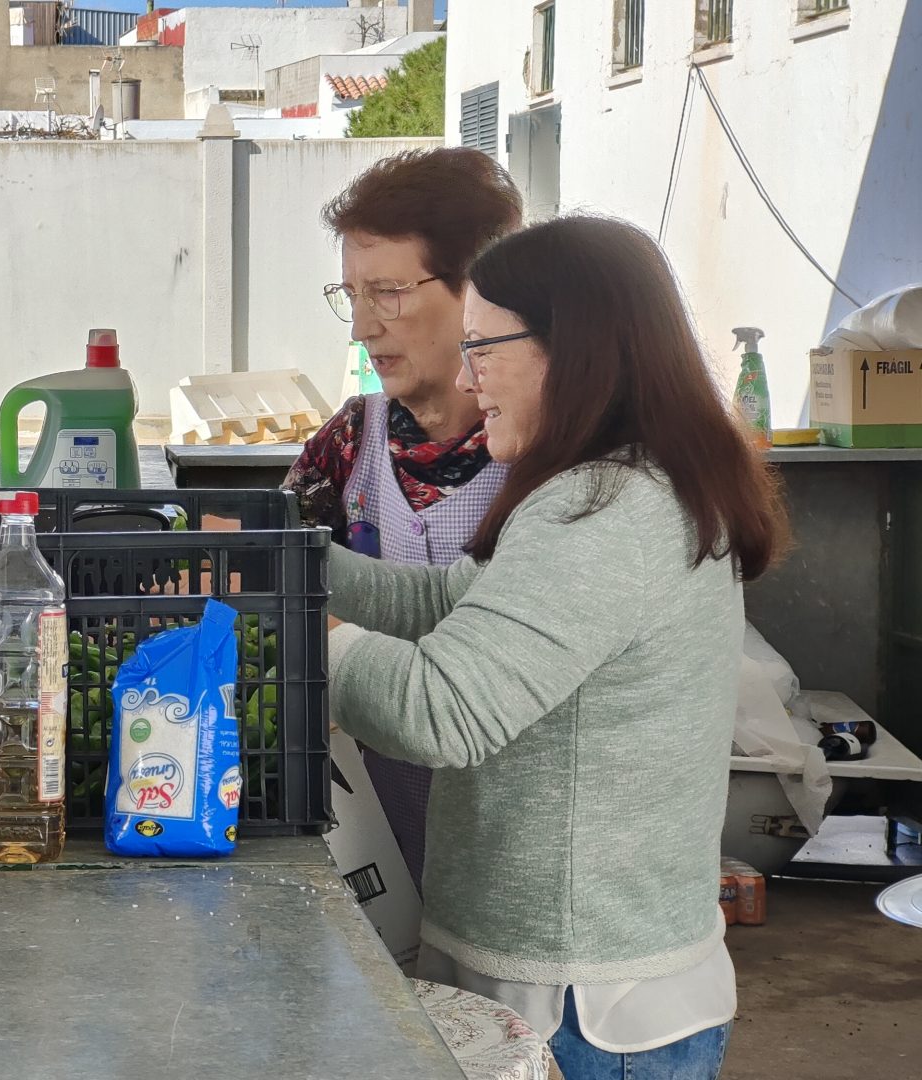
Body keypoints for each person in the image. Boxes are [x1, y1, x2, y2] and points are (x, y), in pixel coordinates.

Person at [325, 215, 787, 1079]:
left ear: (573, 352)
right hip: (565, 979)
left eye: (482, 348)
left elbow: (442, 711)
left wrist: (309, 637)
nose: (466, 377)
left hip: (583, 1007)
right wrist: (287, 564)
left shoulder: (608, 512)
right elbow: (445, 602)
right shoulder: (610, 486)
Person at [283, 147, 525, 889]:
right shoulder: (351, 440)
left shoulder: (546, 461)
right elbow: (278, 568)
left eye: (387, 293)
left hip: (516, 845)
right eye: (351, 295)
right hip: (376, 832)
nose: (362, 327)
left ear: (479, 293)